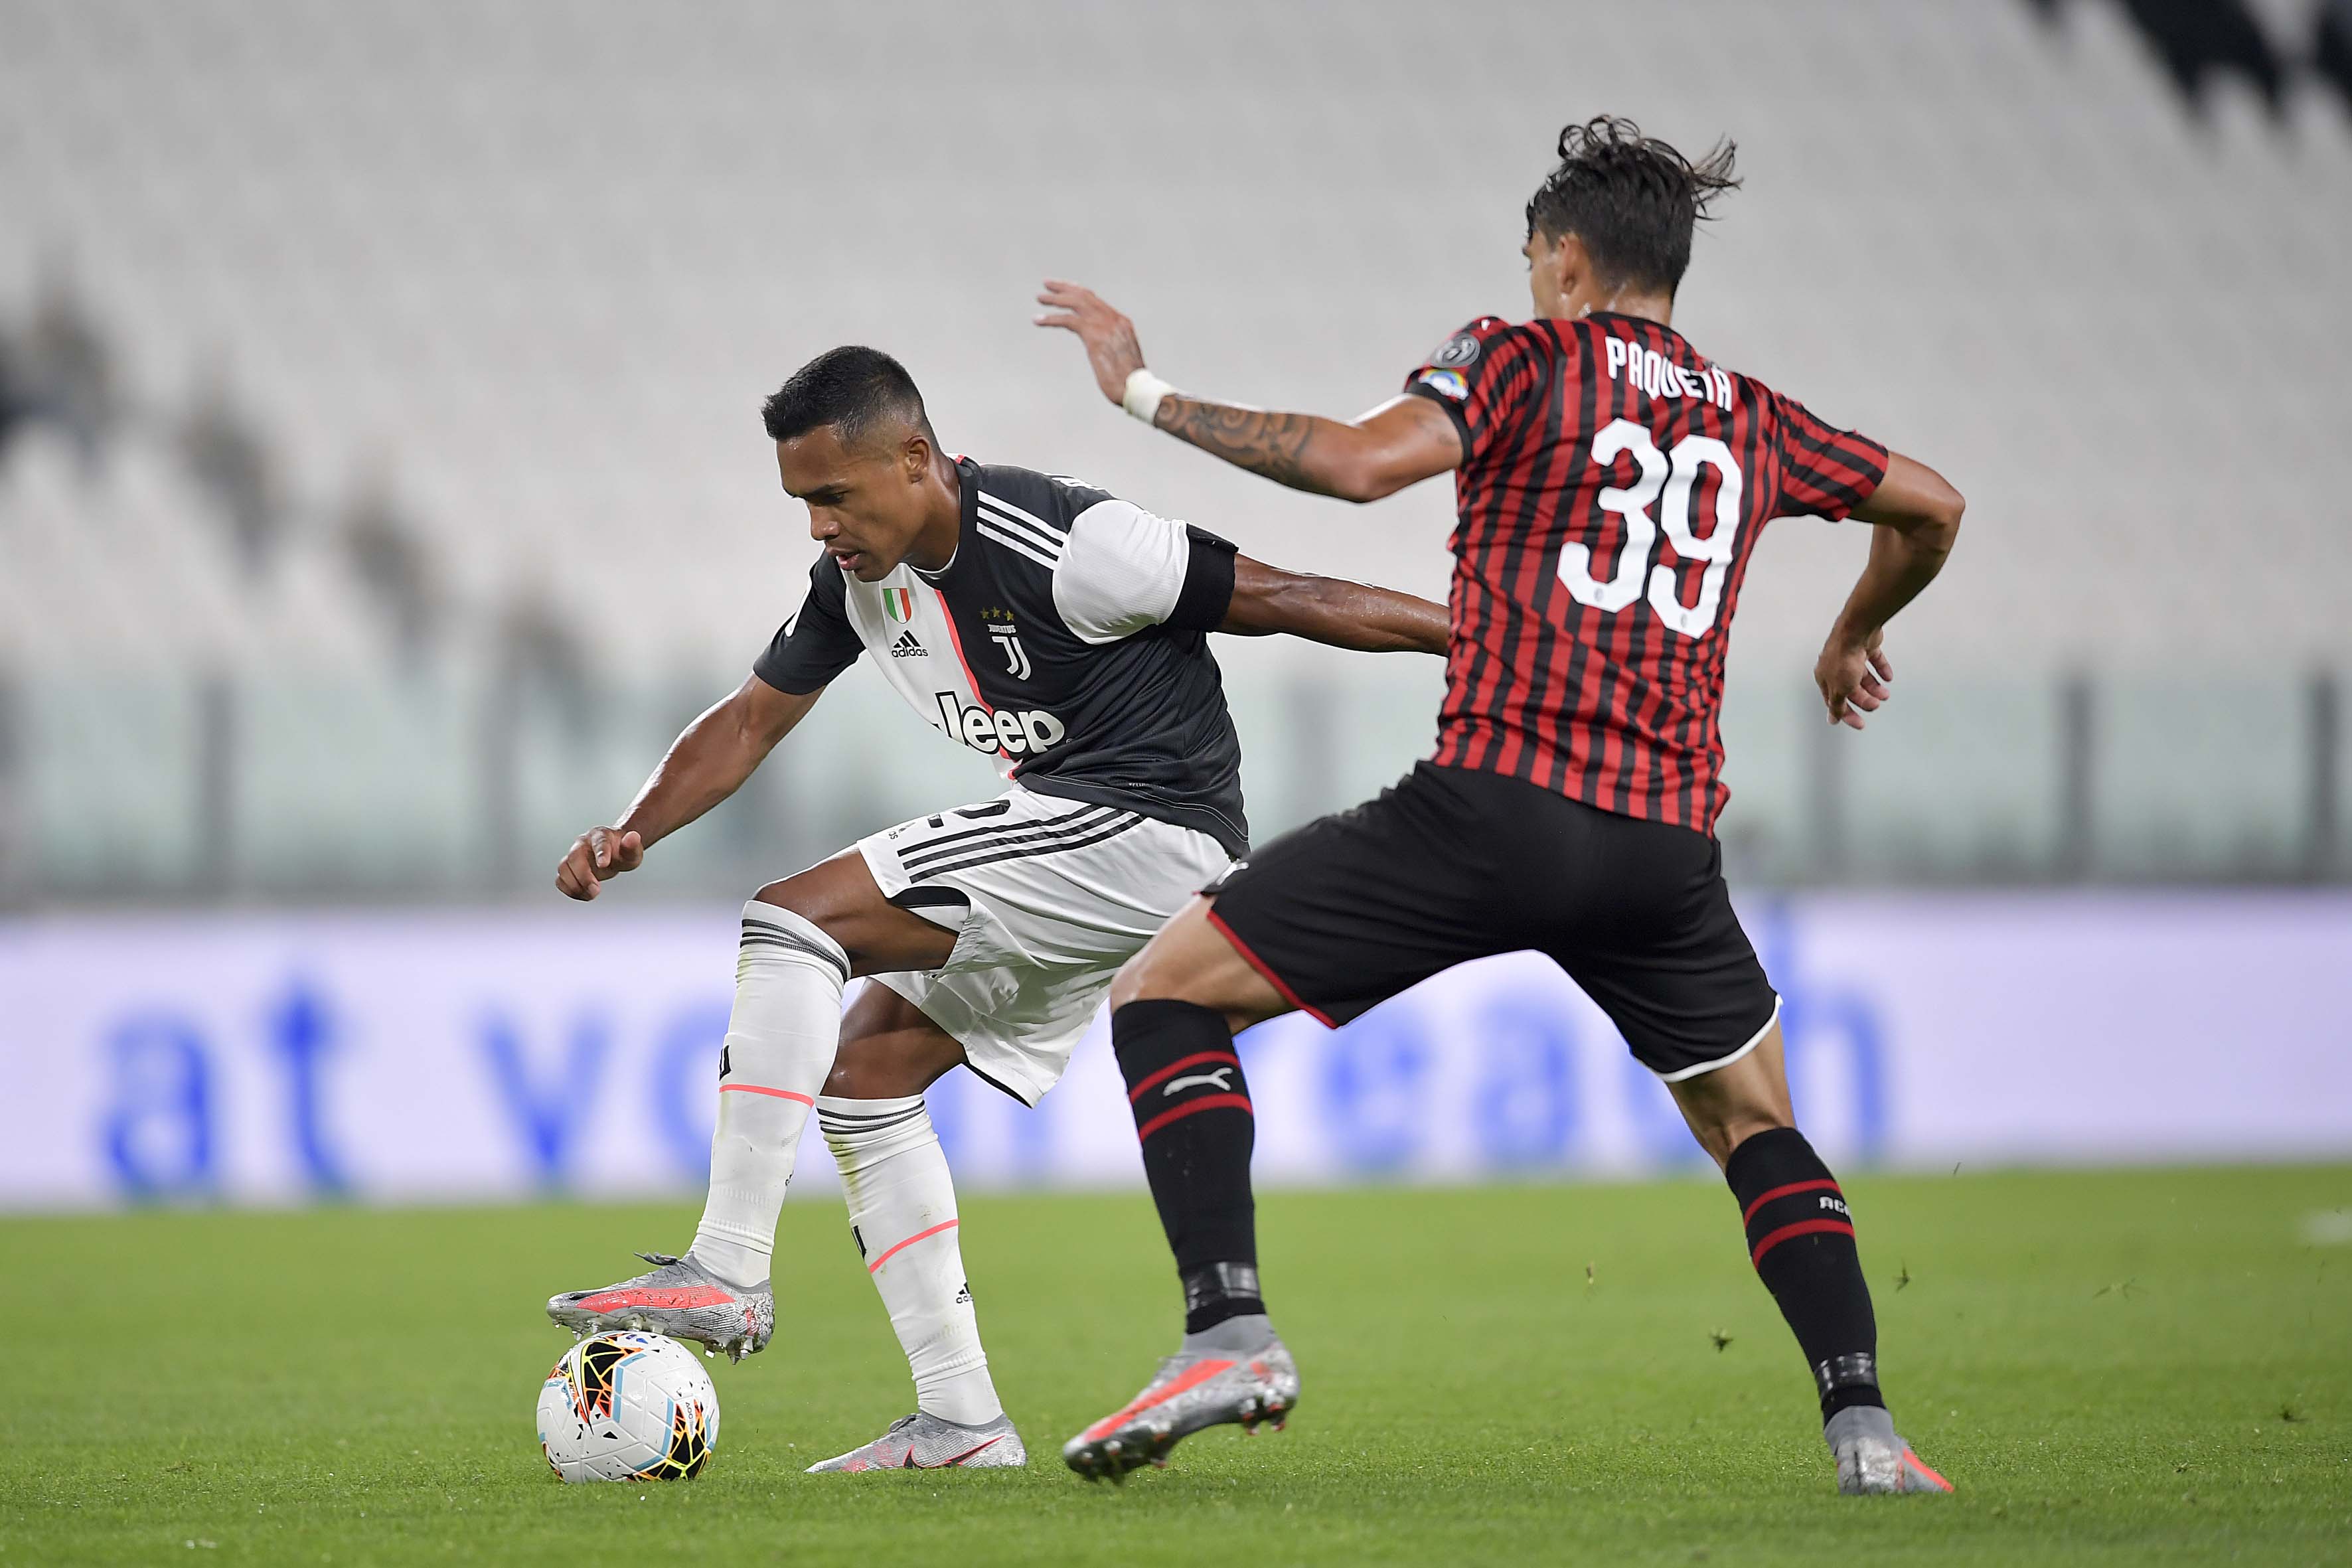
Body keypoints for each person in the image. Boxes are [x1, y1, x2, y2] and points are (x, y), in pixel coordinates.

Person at [1036, 116, 1965, 1494]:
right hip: (1662, 847)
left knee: (1164, 992)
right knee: (1752, 1123)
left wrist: (1143, 393)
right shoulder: (1754, 417)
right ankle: (1868, 1432)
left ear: (1568, 259)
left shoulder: (1522, 357)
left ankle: (1227, 1331)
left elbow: (1358, 465)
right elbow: (1933, 506)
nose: (1531, 280)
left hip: (1494, 808)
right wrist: (1850, 632)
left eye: (1534, 259)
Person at [544, 345, 1448, 1472]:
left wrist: (1477, 638)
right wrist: (635, 827)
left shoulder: (1067, 539)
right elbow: (747, 720)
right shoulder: (855, 582)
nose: (820, 526)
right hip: (1080, 840)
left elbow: (1288, 596)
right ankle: (962, 1420)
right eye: (802, 502)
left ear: (915, 457)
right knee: (866, 1071)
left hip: (1149, 828)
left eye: (835, 494)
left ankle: (727, 1265)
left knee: (794, 918)